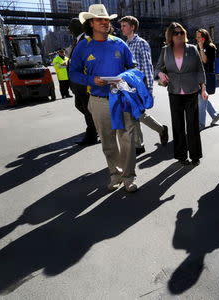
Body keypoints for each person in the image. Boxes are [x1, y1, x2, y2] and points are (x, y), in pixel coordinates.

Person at [69, 4, 139, 192]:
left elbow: (132, 66)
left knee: (127, 139)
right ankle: (115, 175)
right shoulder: (83, 46)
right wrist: (91, 80)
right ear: (91, 23)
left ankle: (128, 177)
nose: (105, 23)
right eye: (100, 19)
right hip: (98, 101)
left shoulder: (119, 43)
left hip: (122, 98)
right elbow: (73, 73)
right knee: (108, 142)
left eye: (107, 20)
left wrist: (126, 77)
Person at [155, 22, 207, 166]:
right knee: (177, 125)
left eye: (181, 33)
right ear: (170, 36)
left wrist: (203, 88)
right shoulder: (165, 50)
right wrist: (160, 73)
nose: (179, 35)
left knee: (192, 125)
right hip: (174, 92)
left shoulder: (192, 49)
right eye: (176, 33)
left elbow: (199, 69)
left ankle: (195, 155)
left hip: (191, 91)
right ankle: (181, 155)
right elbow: (157, 67)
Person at [119, 16, 169, 155]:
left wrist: (148, 89)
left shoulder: (141, 43)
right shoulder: (124, 44)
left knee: (138, 114)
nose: (121, 28)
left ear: (132, 27)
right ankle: (139, 144)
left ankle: (160, 130)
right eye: (121, 26)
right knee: (133, 114)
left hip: (139, 85)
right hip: (127, 86)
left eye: (124, 25)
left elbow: (147, 65)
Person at [68, 18, 98, 145]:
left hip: (84, 82)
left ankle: (92, 134)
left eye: (71, 26)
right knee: (80, 106)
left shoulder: (86, 40)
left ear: (78, 27)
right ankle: (96, 126)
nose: (69, 29)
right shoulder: (77, 40)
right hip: (77, 82)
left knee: (87, 108)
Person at [195, 28, 219, 130]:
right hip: (198, 75)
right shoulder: (198, 46)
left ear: (204, 37)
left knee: (201, 100)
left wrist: (201, 48)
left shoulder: (210, 47)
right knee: (202, 98)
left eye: (199, 37)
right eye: (196, 37)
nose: (197, 39)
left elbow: (205, 61)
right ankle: (215, 115)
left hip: (207, 76)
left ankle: (201, 124)